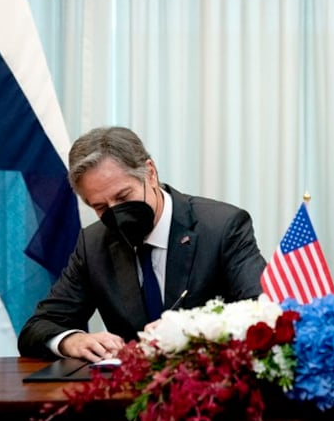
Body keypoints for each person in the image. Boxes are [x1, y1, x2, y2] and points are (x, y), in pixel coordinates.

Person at [18, 126, 267, 361]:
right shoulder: (93, 244)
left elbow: (263, 311)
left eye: (124, 196)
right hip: (128, 396)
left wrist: (190, 328)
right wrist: (70, 340)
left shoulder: (222, 226)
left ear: (150, 173)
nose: (117, 212)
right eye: (101, 207)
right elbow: (37, 328)